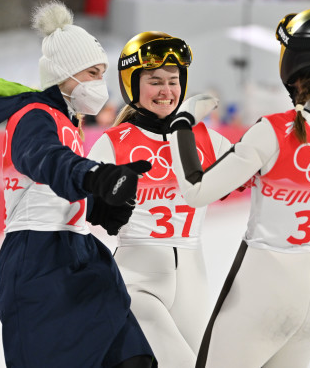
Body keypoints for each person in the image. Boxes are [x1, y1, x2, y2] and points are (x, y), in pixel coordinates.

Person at [167, 8, 310, 367]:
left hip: (263, 284)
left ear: (292, 61)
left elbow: (196, 190)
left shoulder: (275, 130)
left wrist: (181, 124)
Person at [0, 0, 157, 368]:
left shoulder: (69, 120)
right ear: (63, 74)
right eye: (90, 73)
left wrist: (101, 207)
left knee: (131, 358)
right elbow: (44, 159)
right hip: (38, 261)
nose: (99, 84)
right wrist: (94, 176)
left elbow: (56, 188)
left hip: (79, 254)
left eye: (101, 73)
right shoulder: (33, 116)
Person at [87, 31, 233, 367]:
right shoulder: (113, 143)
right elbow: (76, 206)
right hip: (135, 278)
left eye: (173, 80)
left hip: (192, 280)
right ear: (132, 85)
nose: (166, 91)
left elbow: (263, 172)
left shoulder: (205, 139)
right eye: (155, 81)